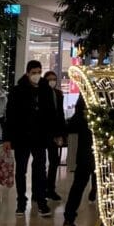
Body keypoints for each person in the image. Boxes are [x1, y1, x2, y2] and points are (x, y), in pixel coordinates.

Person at [3, 61, 63, 217]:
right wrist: (7, 138)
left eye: (39, 72)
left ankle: (41, 200)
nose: (37, 75)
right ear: (28, 73)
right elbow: (10, 115)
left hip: (40, 137)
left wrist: (56, 134)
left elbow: (52, 114)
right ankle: (21, 203)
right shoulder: (17, 91)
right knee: (21, 170)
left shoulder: (46, 91)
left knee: (40, 169)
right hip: (22, 137)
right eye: (34, 72)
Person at [62, 96, 96, 226]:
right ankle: (107, 221)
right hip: (93, 153)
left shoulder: (80, 115)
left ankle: (69, 218)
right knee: (103, 186)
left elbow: (71, 126)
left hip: (85, 154)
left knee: (79, 185)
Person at [42, 70, 67, 202]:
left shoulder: (58, 94)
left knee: (54, 161)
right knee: (40, 163)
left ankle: (50, 188)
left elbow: (60, 114)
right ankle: (40, 189)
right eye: (49, 79)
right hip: (42, 132)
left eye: (54, 79)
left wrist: (62, 134)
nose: (52, 81)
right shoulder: (40, 94)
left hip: (54, 133)